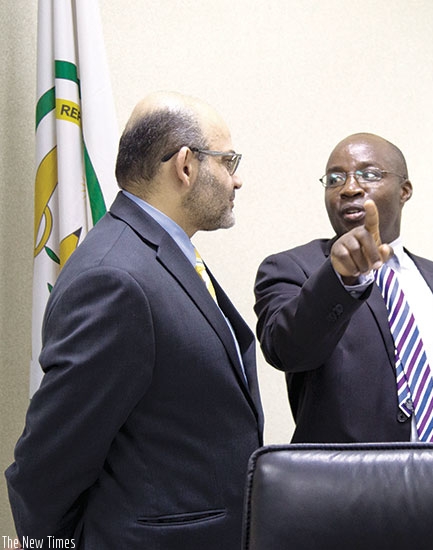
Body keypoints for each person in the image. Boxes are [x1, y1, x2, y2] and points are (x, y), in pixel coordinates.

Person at [6, 92, 264, 549]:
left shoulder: (157, 255)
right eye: (228, 161)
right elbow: (46, 467)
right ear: (185, 166)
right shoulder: (116, 277)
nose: (237, 179)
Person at [254, 132, 433, 444]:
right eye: (334, 179)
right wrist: (340, 278)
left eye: (369, 175)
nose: (349, 188)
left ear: (404, 190)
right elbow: (286, 350)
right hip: (347, 488)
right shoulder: (293, 269)